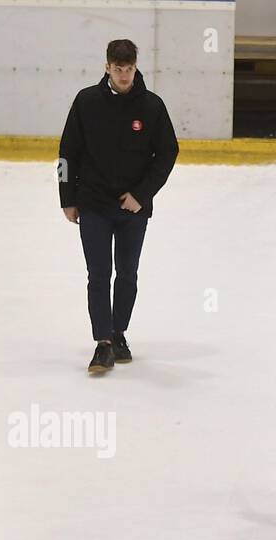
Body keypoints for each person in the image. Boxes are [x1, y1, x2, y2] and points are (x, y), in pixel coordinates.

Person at [58, 38, 179, 374]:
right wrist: (67, 198)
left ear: (135, 66)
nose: (124, 75)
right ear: (107, 66)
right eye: (118, 68)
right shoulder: (86, 102)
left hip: (132, 210)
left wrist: (141, 195)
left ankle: (119, 333)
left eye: (129, 68)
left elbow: (168, 153)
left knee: (127, 274)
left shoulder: (152, 107)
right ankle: (103, 344)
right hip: (93, 204)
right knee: (98, 275)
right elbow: (67, 152)